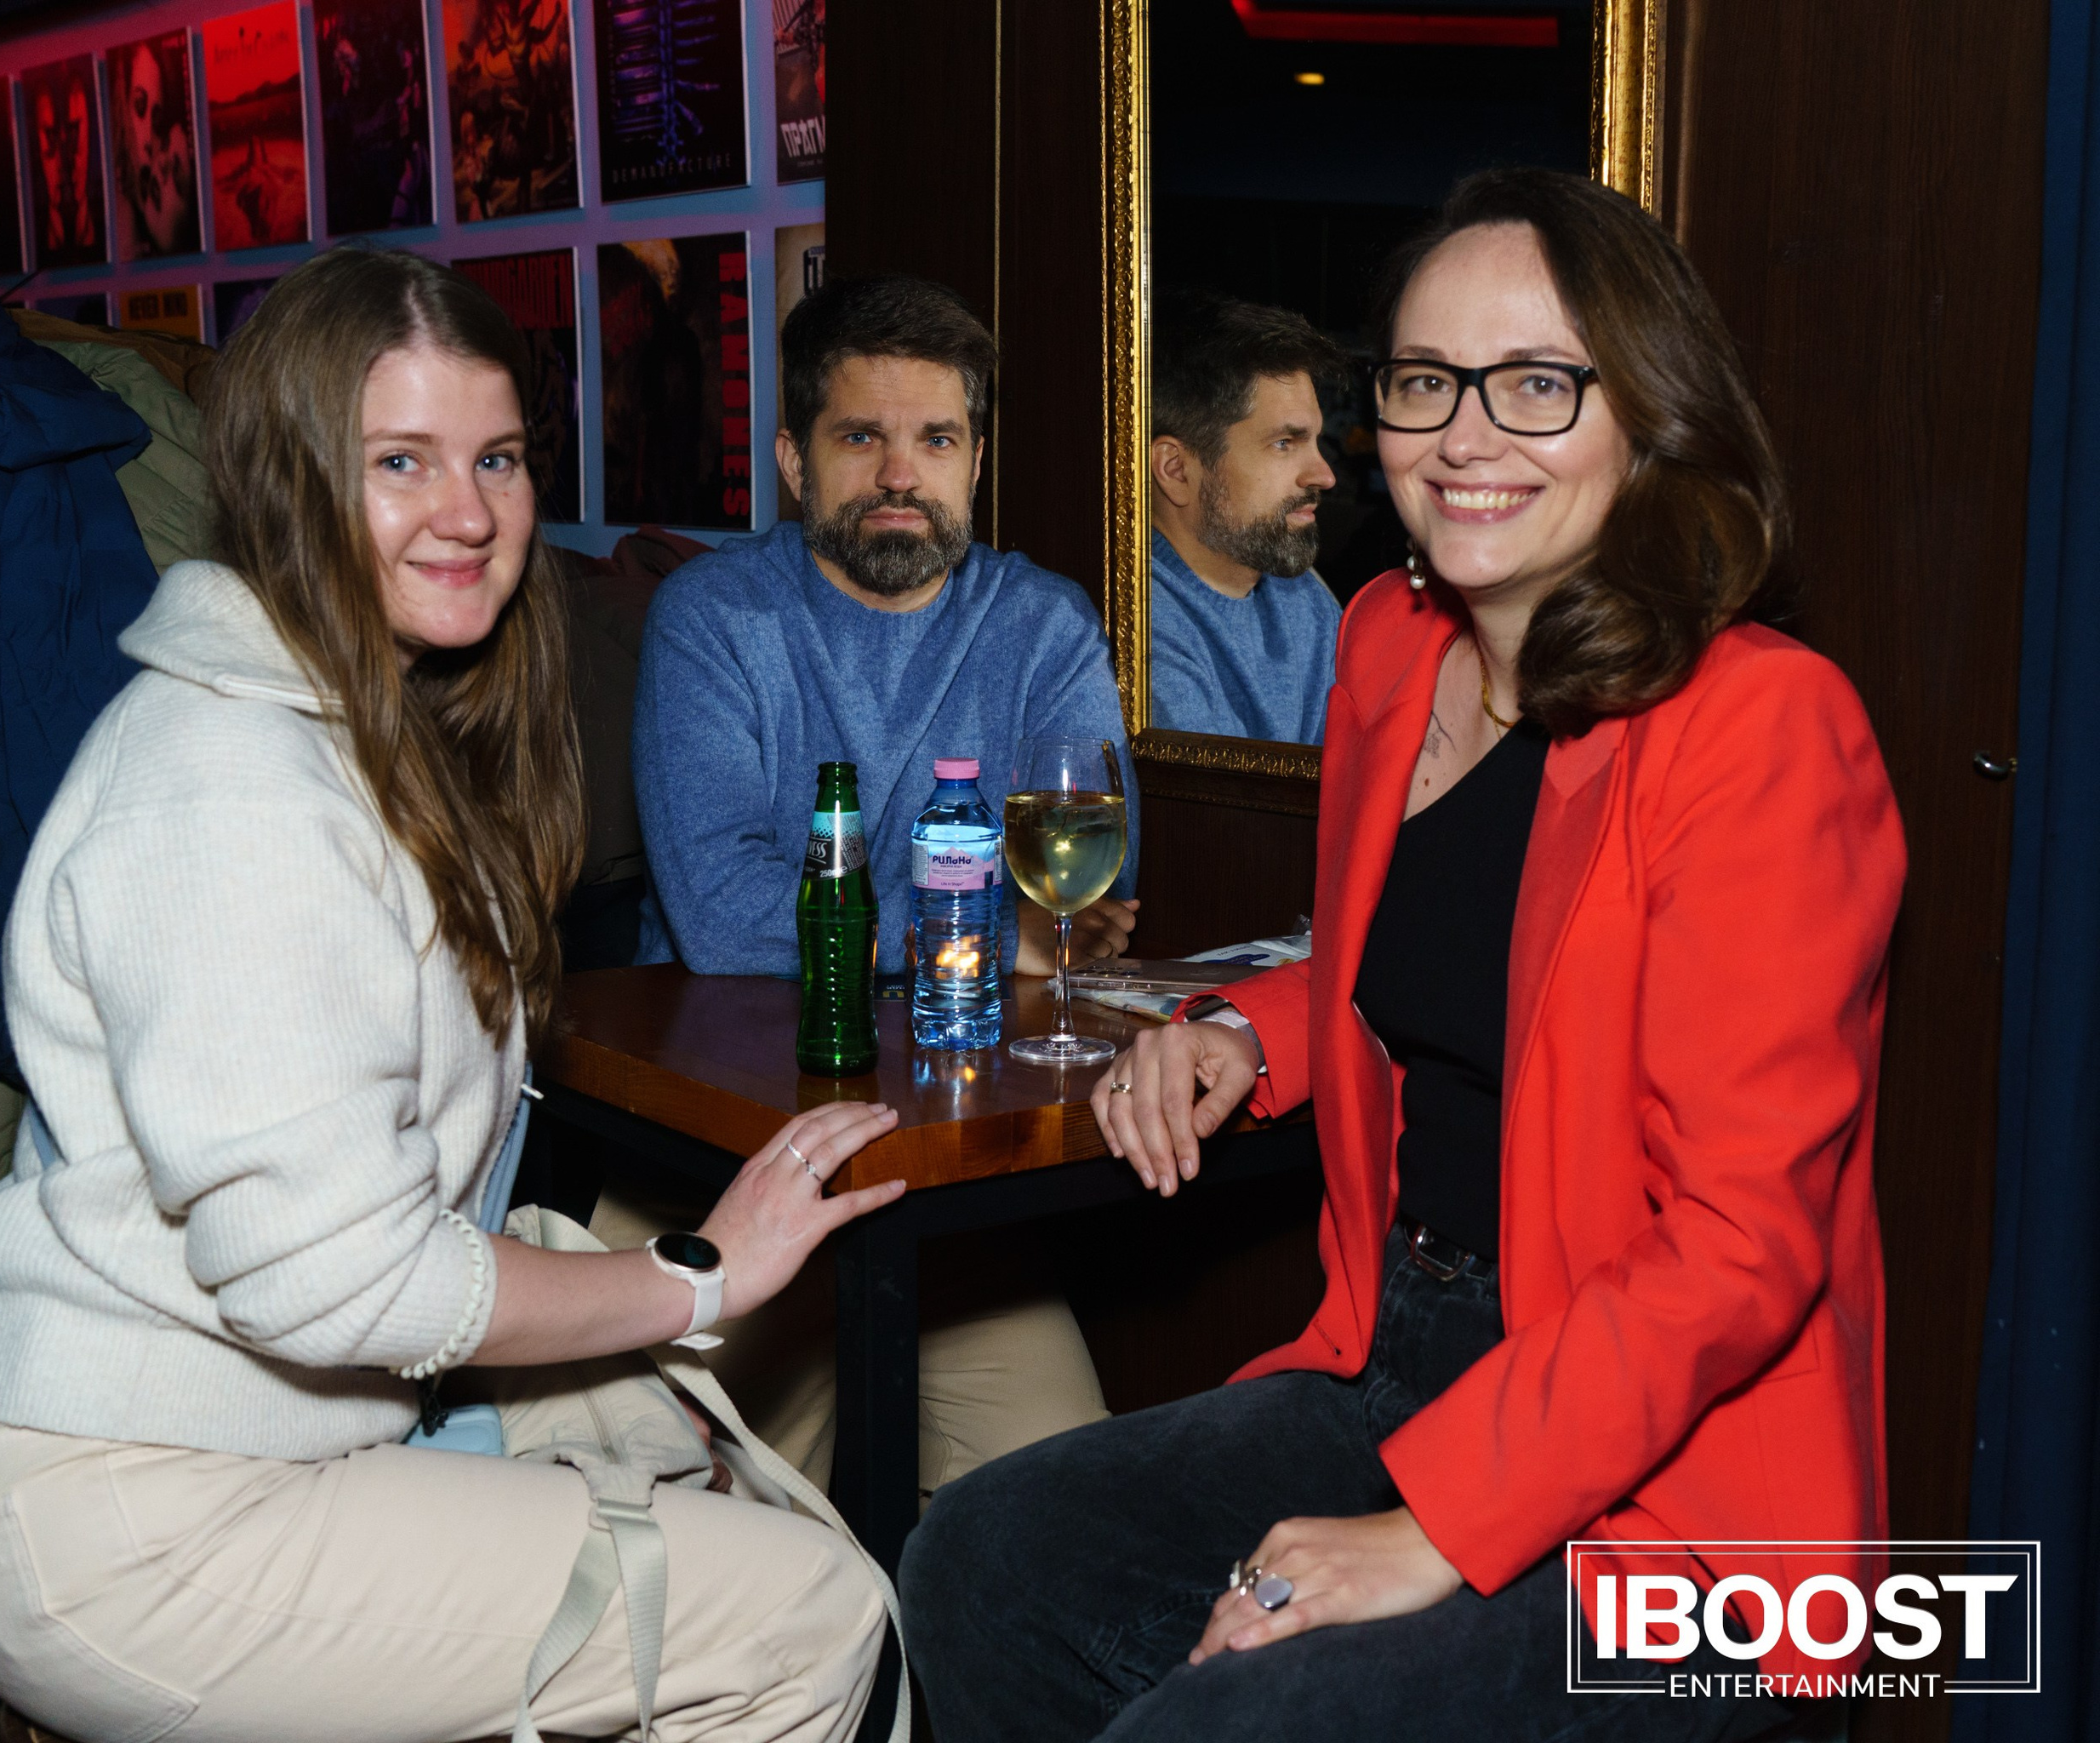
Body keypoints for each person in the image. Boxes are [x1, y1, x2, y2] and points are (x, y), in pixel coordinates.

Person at [902, 168, 1906, 1741]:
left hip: (1684, 1500)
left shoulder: (1761, 724)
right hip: (1406, 1347)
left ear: (1649, 413)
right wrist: (1254, 1029)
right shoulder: (1391, 640)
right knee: (982, 1558)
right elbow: (1452, 961)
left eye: (1538, 383)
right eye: (1428, 381)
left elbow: (1740, 1241)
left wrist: (1432, 1530)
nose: (1466, 434)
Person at [0, 249, 903, 1743]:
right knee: (812, 1618)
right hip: (127, 1511)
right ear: (289, 478)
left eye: (497, 456)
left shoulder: (355, 724)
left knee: (711, 1466)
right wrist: (694, 1280)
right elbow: (336, 1278)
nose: (470, 510)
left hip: (232, 1440)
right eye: (402, 459)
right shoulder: (228, 781)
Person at [613, 273, 1131, 1503]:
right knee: (712, 1538)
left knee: (1058, 1508)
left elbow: (1099, 882)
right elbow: (724, 918)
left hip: (947, 1184)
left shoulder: (1044, 625)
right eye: (861, 437)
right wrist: (986, 931)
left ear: (976, 460)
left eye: (936, 439)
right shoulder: (713, 618)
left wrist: (990, 932)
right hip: (718, 1159)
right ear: (794, 460)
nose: (903, 473)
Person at [1147, 290, 1348, 744]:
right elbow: (1216, 812)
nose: (1324, 475)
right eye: (1284, 444)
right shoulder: (1139, 621)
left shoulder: (1304, 599)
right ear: (1176, 470)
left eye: (1316, 441)